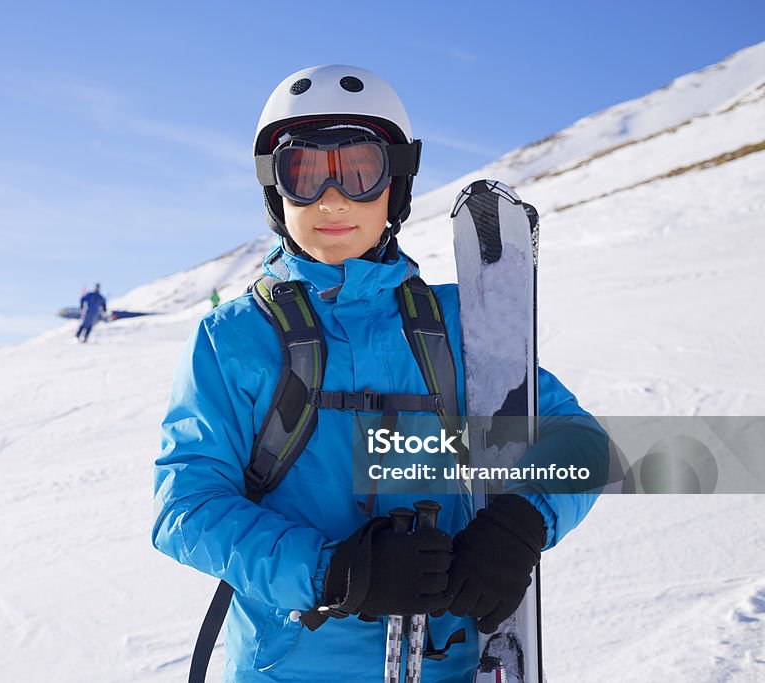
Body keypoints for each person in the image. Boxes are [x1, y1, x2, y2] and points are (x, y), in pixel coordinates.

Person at [152, 65, 608, 682]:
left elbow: (580, 441)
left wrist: (524, 519)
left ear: (396, 184)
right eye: (303, 173)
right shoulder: (233, 338)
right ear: (274, 191)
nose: (332, 199)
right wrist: (334, 572)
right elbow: (186, 509)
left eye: (361, 171)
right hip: (287, 669)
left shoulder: (462, 325)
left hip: (447, 666)